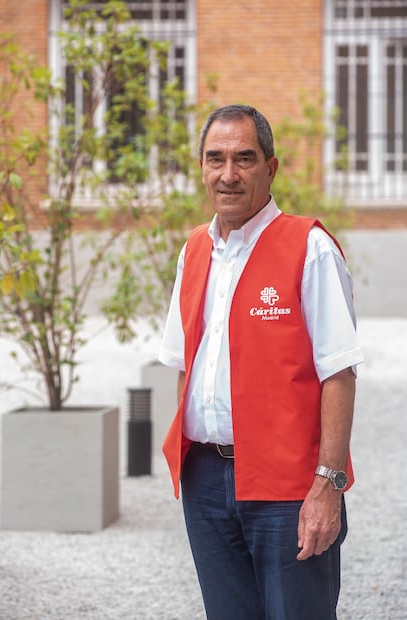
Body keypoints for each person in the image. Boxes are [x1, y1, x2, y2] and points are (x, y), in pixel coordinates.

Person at [159, 104, 363, 620]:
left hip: (290, 486)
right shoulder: (193, 252)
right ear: (201, 166)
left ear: (270, 168)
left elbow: (339, 374)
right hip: (205, 480)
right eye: (216, 159)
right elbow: (185, 364)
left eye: (244, 159)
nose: (228, 174)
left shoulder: (309, 247)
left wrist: (328, 484)